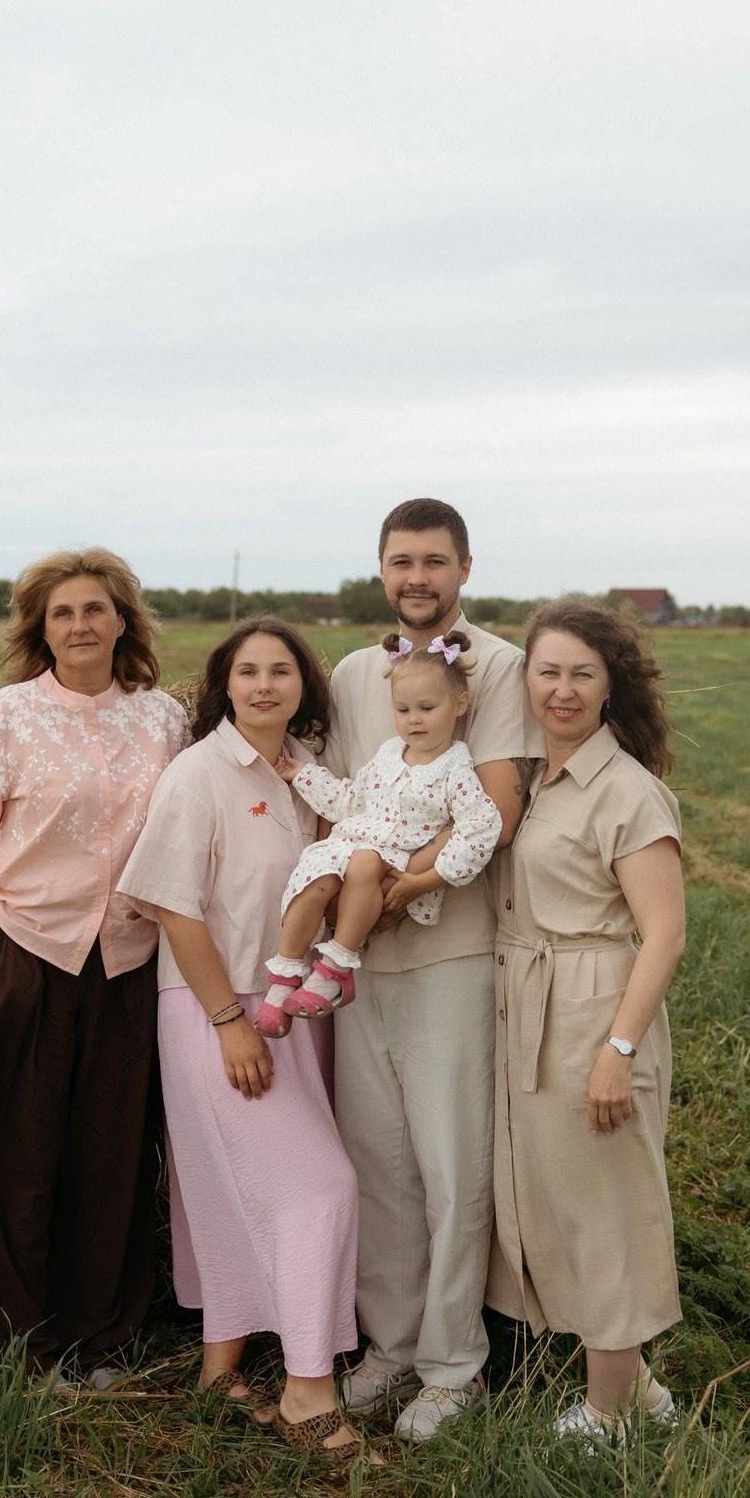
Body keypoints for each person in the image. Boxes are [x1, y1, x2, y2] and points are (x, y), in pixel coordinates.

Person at [0, 548, 189, 1392]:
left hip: (129, 960)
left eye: (95, 609)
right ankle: (0, 1339)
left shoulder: (160, 721)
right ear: (42, 629)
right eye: (62, 613)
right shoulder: (8, 715)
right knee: (12, 1148)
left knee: (110, 1151)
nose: (80, 625)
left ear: (123, 622)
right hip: (26, 949)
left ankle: (101, 1334)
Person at [117, 618, 368, 1460]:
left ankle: (220, 1370)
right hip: (215, 1009)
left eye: (283, 672)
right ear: (225, 684)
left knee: (231, 1187)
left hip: (296, 1011)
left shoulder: (312, 777)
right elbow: (171, 905)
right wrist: (228, 1023)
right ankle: (308, 1392)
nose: (265, 686)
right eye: (249, 672)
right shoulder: (199, 774)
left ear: (304, 686)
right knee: (319, 1187)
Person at [323, 498, 543, 1440]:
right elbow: (343, 808)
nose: (418, 576)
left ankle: (457, 1366)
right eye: (401, 560)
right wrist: (346, 913)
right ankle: (392, 1346)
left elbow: (492, 810)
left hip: (448, 947)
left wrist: (383, 898)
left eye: (435, 561)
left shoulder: (497, 668)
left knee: (451, 1161)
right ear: (381, 567)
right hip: (358, 955)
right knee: (377, 1156)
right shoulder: (349, 673)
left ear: (464, 568)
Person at [486, 598, 686, 1442]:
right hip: (531, 999)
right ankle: (638, 1390)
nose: (561, 691)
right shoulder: (534, 777)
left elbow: (665, 932)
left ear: (611, 687)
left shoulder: (627, 791)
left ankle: (609, 1416)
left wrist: (618, 1049)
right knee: (559, 1199)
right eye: (547, 671)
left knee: (606, 1204)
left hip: (594, 1006)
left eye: (582, 674)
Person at [254, 631, 502, 1034]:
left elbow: (481, 827)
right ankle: (284, 976)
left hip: (393, 858)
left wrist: (427, 880)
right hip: (351, 845)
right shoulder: (388, 755)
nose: (414, 719)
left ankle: (337, 968)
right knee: (314, 874)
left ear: (459, 705)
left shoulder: (456, 771)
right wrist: (303, 774)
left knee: (365, 861)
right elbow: (351, 801)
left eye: (427, 707)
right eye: (403, 709)